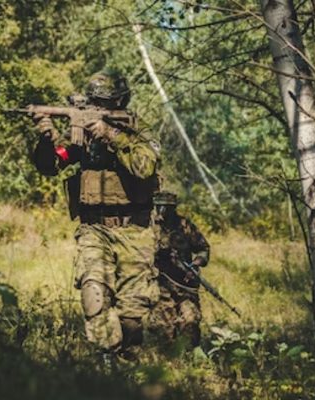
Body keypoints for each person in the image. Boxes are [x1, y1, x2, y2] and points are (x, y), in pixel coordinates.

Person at [31, 70, 161, 360]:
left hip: (134, 229)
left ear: (119, 101)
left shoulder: (138, 130)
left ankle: (127, 363)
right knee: (93, 292)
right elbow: (52, 165)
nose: (98, 108)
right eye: (94, 102)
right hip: (94, 229)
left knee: (131, 312)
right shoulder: (81, 135)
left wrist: (111, 134)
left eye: (104, 103)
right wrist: (46, 138)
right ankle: (106, 360)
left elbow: (145, 167)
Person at [148, 191, 210, 347]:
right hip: (160, 288)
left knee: (190, 321)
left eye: (168, 208)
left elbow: (203, 248)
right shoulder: (149, 228)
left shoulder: (184, 226)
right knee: (163, 329)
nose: (163, 212)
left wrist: (196, 263)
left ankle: (190, 357)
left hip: (185, 285)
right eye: (160, 207)